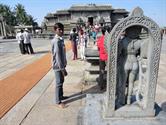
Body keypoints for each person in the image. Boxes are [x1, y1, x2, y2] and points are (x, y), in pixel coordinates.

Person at [51, 22, 68, 108]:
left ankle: (61, 96)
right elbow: (57, 57)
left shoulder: (61, 39)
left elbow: (62, 54)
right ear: (55, 30)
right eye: (59, 29)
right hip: (58, 66)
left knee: (61, 81)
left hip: (61, 65)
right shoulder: (56, 41)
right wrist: (62, 69)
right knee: (58, 83)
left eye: (62, 29)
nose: (61, 31)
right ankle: (58, 101)